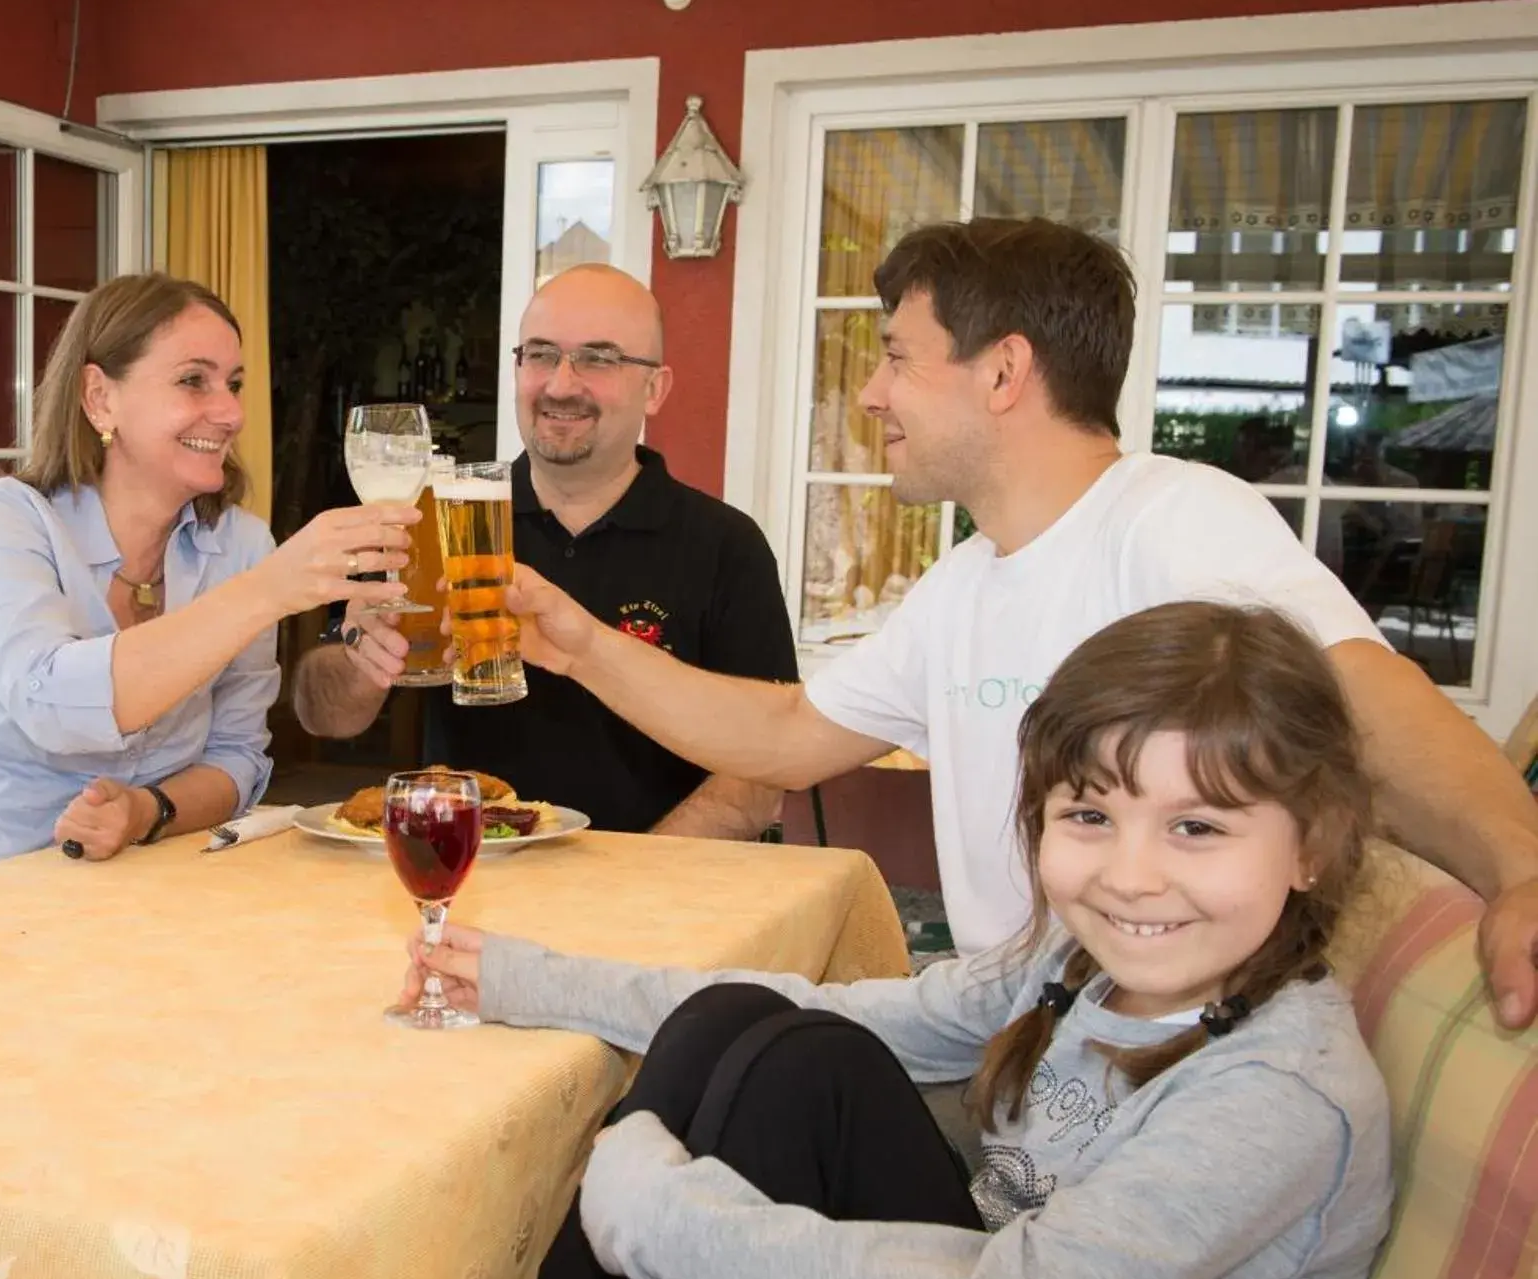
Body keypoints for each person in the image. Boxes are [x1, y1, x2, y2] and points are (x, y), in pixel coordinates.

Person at [395, 601, 1390, 1279]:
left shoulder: (1276, 1094)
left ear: (1311, 841)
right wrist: (531, 979)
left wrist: (662, 1219)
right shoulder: (1077, 962)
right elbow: (849, 1014)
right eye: (1089, 813)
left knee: (783, 1081)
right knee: (755, 1030)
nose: (1130, 877)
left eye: (1197, 828)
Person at [498, 219, 1538, 1028]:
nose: (870, 394)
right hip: (1012, 1033)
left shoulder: (1170, 516)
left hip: (1140, 1063)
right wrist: (581, 644)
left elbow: (1368, 699)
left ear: (1001, 372)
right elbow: (785, 736)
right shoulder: (966, 580)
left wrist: (1522, 867)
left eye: (897, 358)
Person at [0, 274, 413, 899]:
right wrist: (267, 592)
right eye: (194, 380)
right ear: (99, 397)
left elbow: (237, 759)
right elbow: (54, 703)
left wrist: (147, 810)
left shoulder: (242, 547)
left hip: (103, 914)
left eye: (235, 384)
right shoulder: (6, 518)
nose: (232, 413)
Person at [291, 265, 795, 838]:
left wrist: (635, 884)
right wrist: (361, 656)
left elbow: (760, 775)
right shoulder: (440, 519)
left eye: (598, 358)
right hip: (462, 879)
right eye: (540, 354)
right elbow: (322, 716)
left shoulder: (725, 546)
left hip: (655, 892)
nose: (560, 384)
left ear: (655, 389)